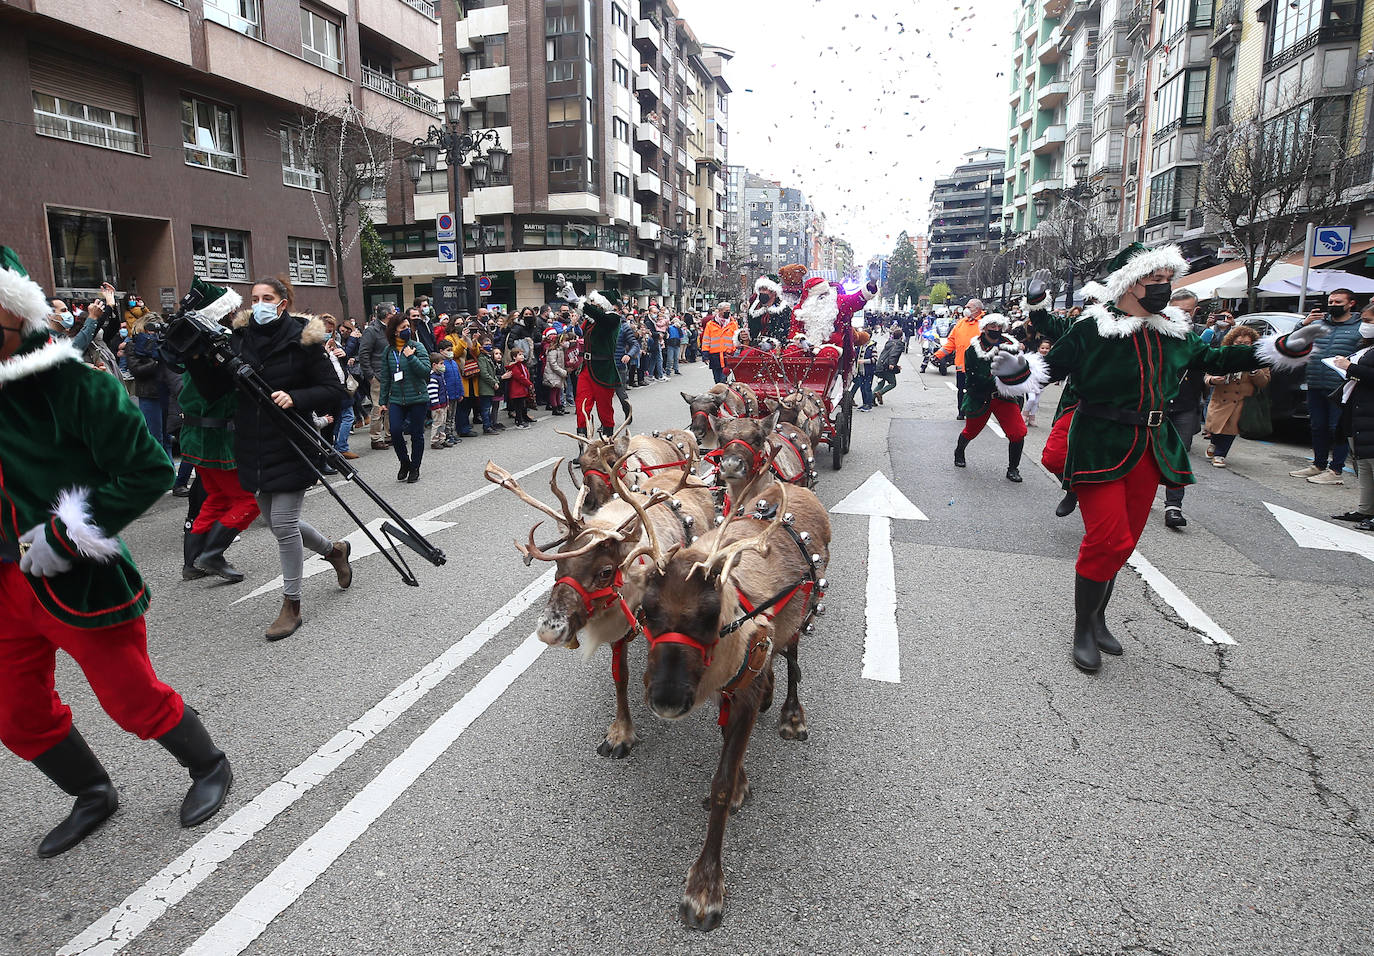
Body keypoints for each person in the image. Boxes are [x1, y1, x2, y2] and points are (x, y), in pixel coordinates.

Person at [0, 247, 232, 857]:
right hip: (3, 586)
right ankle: (92, 792)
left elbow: (149, 468)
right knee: (15, 712)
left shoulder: (72, 383)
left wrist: (64, 533)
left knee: (131, 698)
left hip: (73, 577)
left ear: (15, 316)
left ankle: (209, 766)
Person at [1019, 243, 1320, 674]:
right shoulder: (1092, 328)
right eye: (1153, 280)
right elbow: (1050, 369)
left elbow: (1217, 357)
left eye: (1166, 280)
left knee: (1126, 543)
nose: (1163, 288)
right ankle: (1083, 625)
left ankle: (1099, 616)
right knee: (1109, 539)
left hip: (1152, 445)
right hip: (1100, 441)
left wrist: (1285, 345)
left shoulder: (1176, 331)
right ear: (1127, 284)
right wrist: (1016, 368)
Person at [188, 276, 353, 641]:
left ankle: (291, 604)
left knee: (282, 523)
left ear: (282, 302)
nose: (259, 303)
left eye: (268, 298)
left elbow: (335, 390)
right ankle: (334, 550)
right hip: (250, 444)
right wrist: (196, 359)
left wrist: (295, 397)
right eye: (255, 297)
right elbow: (215, 390)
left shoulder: (304, 339)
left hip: (292, 443)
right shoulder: (239, 338)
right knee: (279, 522)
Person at [1290, 289, 1367, 485]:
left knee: (1337, 428)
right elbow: (1293, 343)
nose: (1333, 305)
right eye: (1330, 301)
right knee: (1317, 426)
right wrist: (1303, 324)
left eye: (1338, 301)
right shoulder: (1317, 323)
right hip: (1315, 382)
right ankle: (1318, 464)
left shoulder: (1360, 326)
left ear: (1351, 303)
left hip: (1341, 387)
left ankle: (1336, 470)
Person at [952, 314, 1035, 482]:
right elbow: (972, 376)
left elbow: (1021, 366)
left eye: (999, 326)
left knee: (1018, 432)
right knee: (971, 431)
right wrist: (995, 377)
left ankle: (1013, 468)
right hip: (981, 396)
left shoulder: (1011, 345)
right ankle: (959, 451)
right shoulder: (973, 350)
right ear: (984, 327)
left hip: (1005, 397)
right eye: (992, 326)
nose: (996, 329)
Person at [1161, 290, 1205, 529]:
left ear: (1195, 310)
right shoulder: (1157, 331)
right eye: (1178, 310)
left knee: (1178, 453)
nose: (1183, 315)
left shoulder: (1203, 335)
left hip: (1186, 404)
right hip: (1156, 404)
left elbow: (1215, 360)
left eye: (1188, 311)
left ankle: (1173, 506)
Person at [562, 279, 625, 439]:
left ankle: (607, 445)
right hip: (586, 369)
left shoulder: (613, 319)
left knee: (605, 410)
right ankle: (584, 448)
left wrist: (578, 301)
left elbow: (598, 317)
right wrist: (571, 299)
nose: (591, 304)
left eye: (594, 302)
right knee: (581, 406)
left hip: (604, 370)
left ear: (603, 305)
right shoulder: (592, 322)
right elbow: (589, 316)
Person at [1202, 325, 1271, 468]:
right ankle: (1214, 443)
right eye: (1239, 343)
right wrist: (1213, 380)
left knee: (1230, 430)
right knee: (1215, 427)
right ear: (1232, 342)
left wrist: (1254, 371)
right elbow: (1207, 376)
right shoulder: (1223, 354)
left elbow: (1264, 382)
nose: (1243, 346)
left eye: (1247, 343)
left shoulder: (1259, 359)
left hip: (1240, 401)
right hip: (1220, 399)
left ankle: (1220, 455)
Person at [1331, 311, 1374, 529]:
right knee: (1364, 463)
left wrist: (1350, 367)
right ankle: (1365, 510)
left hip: (1369, 412)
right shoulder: (1366, 346)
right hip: (1359, 410)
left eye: (1369, 321)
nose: (1364, 325)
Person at [380, 310, 433, 483]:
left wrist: (411, 358)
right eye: (402, 327)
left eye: (407, 327)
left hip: (418, 397)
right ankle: (405, 462)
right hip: (396, 399)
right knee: (395, 431)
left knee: (417, 434)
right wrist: (382, 402)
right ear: (394, 331)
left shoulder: (417, 347)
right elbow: (386, 377)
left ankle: (415, 467)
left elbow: (426, 372)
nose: (406, 330)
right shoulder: (388, 351)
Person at [932, 299, 986, 419]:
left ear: (977, 310)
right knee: (961, 390)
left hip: (978, 366)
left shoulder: (984, 324)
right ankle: (961, 411)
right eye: (965, 307)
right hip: (961, 364)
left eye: (969, 307)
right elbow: (951, 342)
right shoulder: (961, 323)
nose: (965, 309)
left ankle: (977, 412)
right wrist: (938, 355)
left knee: (977, 390)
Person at [359, 304, 392, 450]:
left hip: (391, 374)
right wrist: (370, 376)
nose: (395, 313)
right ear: (386, 314)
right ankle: (376, 438)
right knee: (378, 407)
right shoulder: (372, 331)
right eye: (393, 311)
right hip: (378, 375)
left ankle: (390, 435)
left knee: (391, 407)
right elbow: (363, 354)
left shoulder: (389, 330)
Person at [702, 304, 738, 384]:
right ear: (720, 311)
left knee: (722, 379)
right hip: (715, 356)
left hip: (727, 355)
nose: (728, 313)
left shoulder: (733, 324)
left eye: (729, 311)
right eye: (726, 311)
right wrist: (705, 355)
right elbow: (706, 340)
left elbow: (736, 340)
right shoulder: (710, 324)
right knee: (717, 379)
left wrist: (735, 352)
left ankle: (722, 392)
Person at [1022, 339, 1053, 426]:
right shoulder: (1033, 357)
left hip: (1041, 384)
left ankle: (1032, 418)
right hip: (1031, 382)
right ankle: (1024, 415)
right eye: (1042, 348)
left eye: (1047, 348)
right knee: (1031, 399)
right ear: (1038, 348)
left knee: (1036, 401)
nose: (1044, 350)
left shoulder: (1049, 359)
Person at [872, 327, 905, 405]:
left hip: (880, 365)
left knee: (881, 382)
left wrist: (895, 365)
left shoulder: (889, 342)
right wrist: (892, 364)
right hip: (886, 366)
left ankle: (871, 398)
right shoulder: (899, 344)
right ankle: (880, 393)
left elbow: (887, 354)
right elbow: (893, 354)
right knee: (893, 383)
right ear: (901, 337)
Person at [504, 346, 534, 428]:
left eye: (522, 354)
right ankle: (519, 421)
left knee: (523, 405)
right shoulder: (514, 367)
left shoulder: (521, 365)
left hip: (522, 390)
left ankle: (523, 418)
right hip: (517, 390)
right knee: (518, 406)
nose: (522, 356)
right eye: (519, 354)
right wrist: (529, 384)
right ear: (514, 357)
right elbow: (520, 377)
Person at [542, 327, 568, 415]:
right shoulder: (553, 350)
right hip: (553, 374)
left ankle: (559, 406)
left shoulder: (561, 350)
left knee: (558, 390)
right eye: (564, 341)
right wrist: (562, 372)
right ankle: (555, 408)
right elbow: (553, 364)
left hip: (558, 374)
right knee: (553, 391)